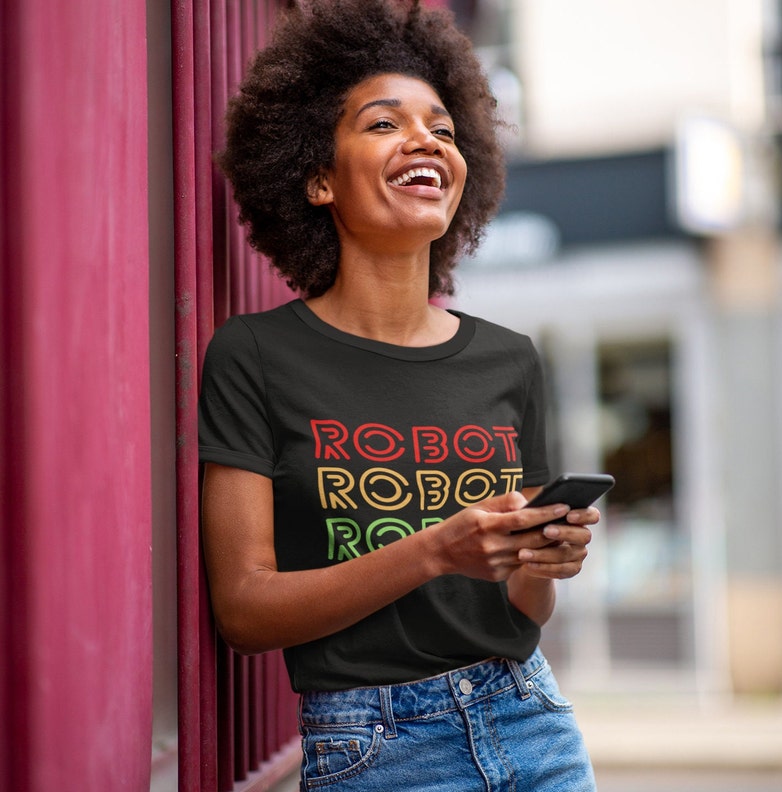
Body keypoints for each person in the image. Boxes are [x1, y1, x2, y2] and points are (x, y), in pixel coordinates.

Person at [199, 1, 599, 789]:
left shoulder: (509, 360)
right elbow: (244, 610)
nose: (426, 140)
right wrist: (434, 551)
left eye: (443, 129)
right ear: (318, 178)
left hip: (532, 721)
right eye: (385, 124)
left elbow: (524, 611)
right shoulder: (256, 356)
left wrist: (544, 559)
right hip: (376, 748)